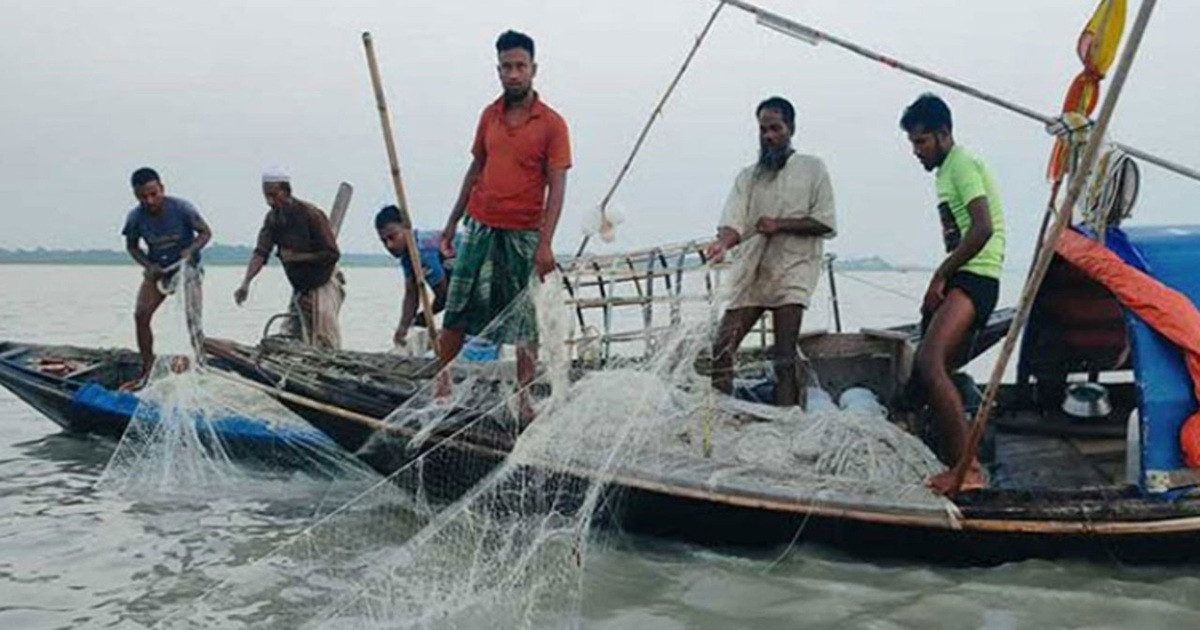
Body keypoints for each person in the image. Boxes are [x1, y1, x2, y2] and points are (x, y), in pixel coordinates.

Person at [436, 30, 571, 413]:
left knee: (524, 318)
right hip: (480, 224)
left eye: (520, 66)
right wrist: (452, 223)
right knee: (458, 304)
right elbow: (476, 168)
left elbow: (557, 188)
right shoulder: (489, 115)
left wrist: (545, 244)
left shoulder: (552, 124)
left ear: (533, 69)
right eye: (506, 67)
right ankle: (442, 381)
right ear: (498, 70)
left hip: (524, 231)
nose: (513, 74)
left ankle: (523, 396)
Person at [899, 93, 1006, 495]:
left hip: (977, 276)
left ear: (944, 134)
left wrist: (939, 276)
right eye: (913, 143)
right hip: (964, 276)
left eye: (922, 141)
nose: (916, 151)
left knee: (930, 362)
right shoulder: (944, 172)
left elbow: (983, 228)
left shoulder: (961, 163)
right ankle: (947, 452)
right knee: (925, 373)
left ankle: (968, 469)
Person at [704, 97, 837, 407]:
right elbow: (733, 222)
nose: (768, 136)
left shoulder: (813, 168)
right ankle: (722, 413)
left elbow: (825, 222)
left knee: (784, 356)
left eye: (776, 129)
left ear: (791, 129)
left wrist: (780, 224)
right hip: (752, 272)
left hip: (793, 270)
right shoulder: (748, 177)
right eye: (763, 130)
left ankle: (787, 418)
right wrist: (722, 244)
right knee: (722, 348)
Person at [121, 167, 212, 390]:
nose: (150, 201)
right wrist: (148, 265)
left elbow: (205, 233)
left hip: (186, 270)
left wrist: (191, 250)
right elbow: (132, 247)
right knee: (141, 315)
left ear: (162, 188)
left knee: (193, 320)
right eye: (143, 197)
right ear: (136, 195)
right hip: (159, 271)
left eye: (154, 194)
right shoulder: (135, 217)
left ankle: (202, 365)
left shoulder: (182, 208)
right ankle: (147, 367)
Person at [234, 170, 344, 350]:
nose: (270, 201)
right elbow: (260, 253)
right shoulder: (273, 219)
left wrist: (297, 257)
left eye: (273, 195)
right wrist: (246, 283)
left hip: (323, 281)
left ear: (286, 191)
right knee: (291, 332)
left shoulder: (310, 214)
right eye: (266, 196)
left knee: (324, 336)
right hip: (300, 286)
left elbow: (332, 254)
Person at [374, 205, 463, 348]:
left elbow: (444, 297)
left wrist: (421, 320)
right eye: (384, 241)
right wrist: (403, 328)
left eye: (392, 237)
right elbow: (411, 294)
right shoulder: (407, 257)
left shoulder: (422, 251)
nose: (389, 245)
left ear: (406, 229)